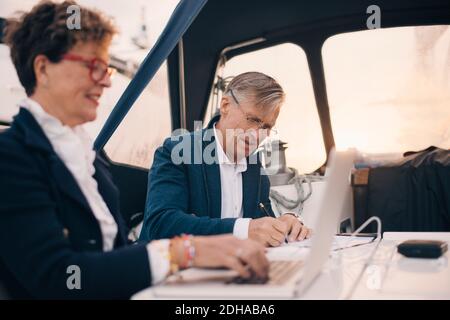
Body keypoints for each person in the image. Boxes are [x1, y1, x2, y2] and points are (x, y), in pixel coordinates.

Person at [0, 0, 268, 299]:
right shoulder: (10, 157)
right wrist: (183, 253)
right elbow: (58, 277)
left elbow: (114, 254)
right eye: (93, 67)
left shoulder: (90, 157)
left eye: (108, 69)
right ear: (43, 68)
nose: (105, 81)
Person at [140, 72, 312, 247]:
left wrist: (286, 223)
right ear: (225, 105)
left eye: (267, 127)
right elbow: (160, 225)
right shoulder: (177, 151)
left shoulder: (254, 166)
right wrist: (244, 229)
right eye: (252, 119)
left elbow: (261, 225)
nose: (257, 135)